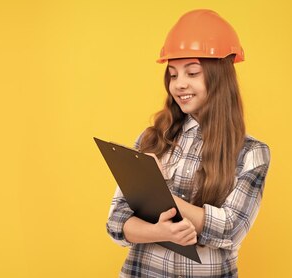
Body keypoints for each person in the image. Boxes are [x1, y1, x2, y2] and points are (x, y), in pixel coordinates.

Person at [106, 9, 271, 277]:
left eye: (192, 73)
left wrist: (160, 194)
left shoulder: (252, 153)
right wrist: (157, 231)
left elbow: (231, 228)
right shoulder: (151, 140)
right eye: (173, 74)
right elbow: (116, 221)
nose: (179, 84)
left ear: (220, 78)